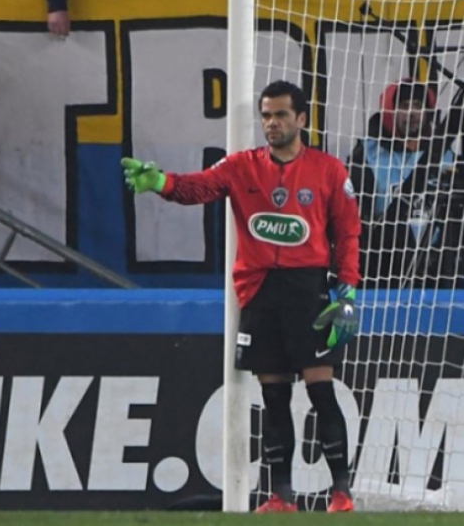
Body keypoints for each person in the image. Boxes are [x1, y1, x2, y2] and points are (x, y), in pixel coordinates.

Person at [122, 80, 361, 513]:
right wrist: (161, 181)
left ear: (301, 119)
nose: (271, 123)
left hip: (307, 289)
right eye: (266, 115)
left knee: (321, 390)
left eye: (281, 115)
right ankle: (281, 496)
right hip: (260, 292)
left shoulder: (329, 171)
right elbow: (198, 188)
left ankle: (341, 492)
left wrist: (346, 290)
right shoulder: (241, 166)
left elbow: (347, 232)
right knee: (273, 397)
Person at [347, 80, 457, 288]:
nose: (412, 112)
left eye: (418, 105)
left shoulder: (446, 156)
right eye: (404, 106)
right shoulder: (367, 155)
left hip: (437, 268)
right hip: (381, 265)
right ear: (390, 110)